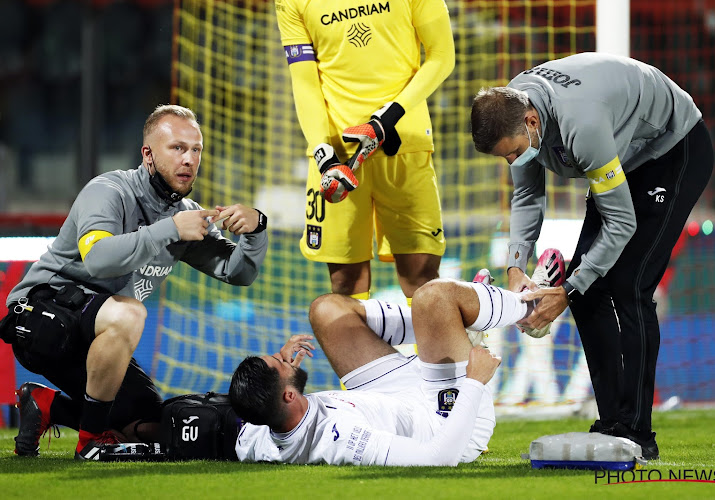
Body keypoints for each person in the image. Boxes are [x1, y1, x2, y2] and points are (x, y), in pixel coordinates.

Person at [470, 52, 714, 460]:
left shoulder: (581, 125)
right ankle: (611, 424)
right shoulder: (514, 106)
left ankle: (636, 433)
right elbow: (528, 194)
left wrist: (565, 290)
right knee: (589, 291)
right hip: (624, 156)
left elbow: (622, 224)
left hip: (674, 150)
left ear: (531, 122)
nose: (512, 162)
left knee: (629, 285)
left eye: (511, 154)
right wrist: (516, 270)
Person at [0, 105, 269, 460]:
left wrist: (257, 228)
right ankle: (90, 443)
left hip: (100, 335)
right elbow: (98, 260)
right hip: (41, 318)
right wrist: (170, 229)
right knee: (130, 313)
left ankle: (46, 405)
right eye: (177, 148)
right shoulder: (109, 190)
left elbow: (238, 273)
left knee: (149, 426)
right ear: (148, 155)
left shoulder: (184, 210)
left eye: (196, 149)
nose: (189, 159)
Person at [229, 253, 560, 466]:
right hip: (444, 419)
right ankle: (532, 309)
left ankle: (456, 325)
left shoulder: (260, 438)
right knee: (433, 296)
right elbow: (439, 457)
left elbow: (251, 416)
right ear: (288, 395)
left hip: (386, 394)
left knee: (326, 310)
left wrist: (283, 372)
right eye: (279, 362)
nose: (284, 355)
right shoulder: (343, 441)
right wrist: (473, 383)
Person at [275, 0, 455, 303]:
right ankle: (369, 353)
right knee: (345, 282)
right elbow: (304, 82)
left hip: (403, 144)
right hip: (338, 156)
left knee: (421, 277)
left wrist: (391, 115)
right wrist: (323, 153)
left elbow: (442, 56)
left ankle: (428, 352)